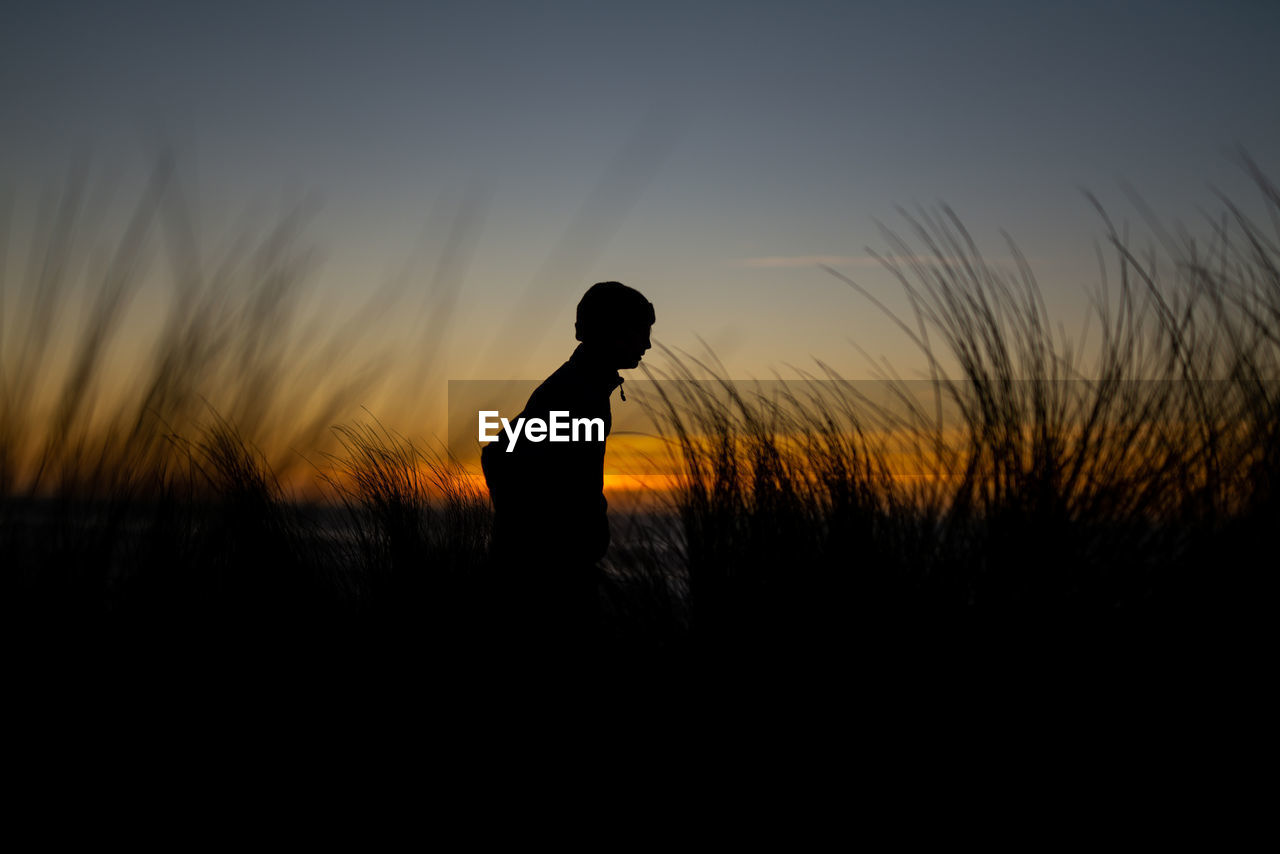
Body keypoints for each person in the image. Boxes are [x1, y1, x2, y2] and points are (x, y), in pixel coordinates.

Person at [481, 281, 655, 646]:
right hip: (548, 584)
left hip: (556, 575)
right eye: (640, 332)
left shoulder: (584, 388)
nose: (647, 344)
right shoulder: (575, 394)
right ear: (610, 332)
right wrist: (545, 548)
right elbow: (499, 455)